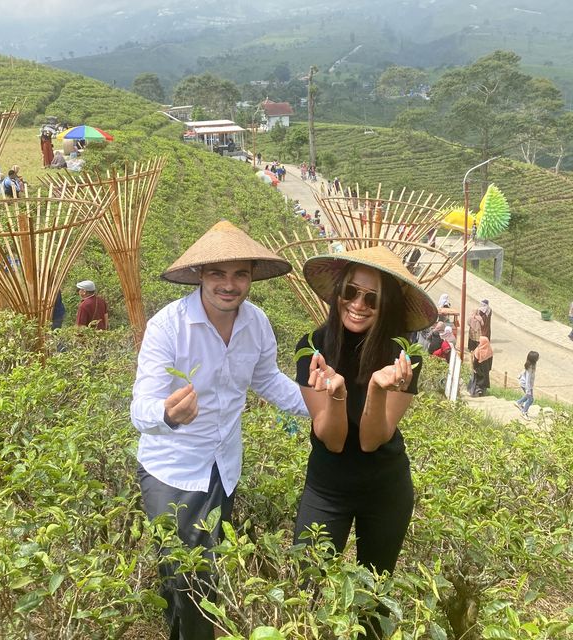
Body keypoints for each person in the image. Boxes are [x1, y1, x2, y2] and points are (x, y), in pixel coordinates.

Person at [131, 220, 308, 640]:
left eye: (240, 274)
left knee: (202, 578)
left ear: (251, 278)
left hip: (222, 470)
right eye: (218, 274)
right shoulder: (168, 326)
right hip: (171, 471)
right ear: (199, 276)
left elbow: (268, 380)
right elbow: (140, 408)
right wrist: (168, 414)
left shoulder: (257, 323)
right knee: (184, 580)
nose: (229, 285)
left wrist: (327, 407)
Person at [293, 245, 437, 640]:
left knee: (373, 600)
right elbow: (332, 439)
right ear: (337, 293)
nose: (358, 304)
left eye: (371, 298)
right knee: (305, 590)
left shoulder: (405, 357)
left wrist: (376, 386)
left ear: (386, 305)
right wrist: (336, 395)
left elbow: (373, 440)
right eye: (351, 292)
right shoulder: (313, 348)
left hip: (385, 489)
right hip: (327, 486)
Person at [516, 351, 539, 419]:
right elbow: (528, 380)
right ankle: (524, 412)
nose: (538, 358)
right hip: (526, 385)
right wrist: (528, 390)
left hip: (528, 384)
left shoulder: (532, 364)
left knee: (527, 396)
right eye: (537, 357)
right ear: (534, 359)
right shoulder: (530, 367)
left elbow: (524, 370)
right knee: (531, 399)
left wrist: (520, 375)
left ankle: (519, 402)